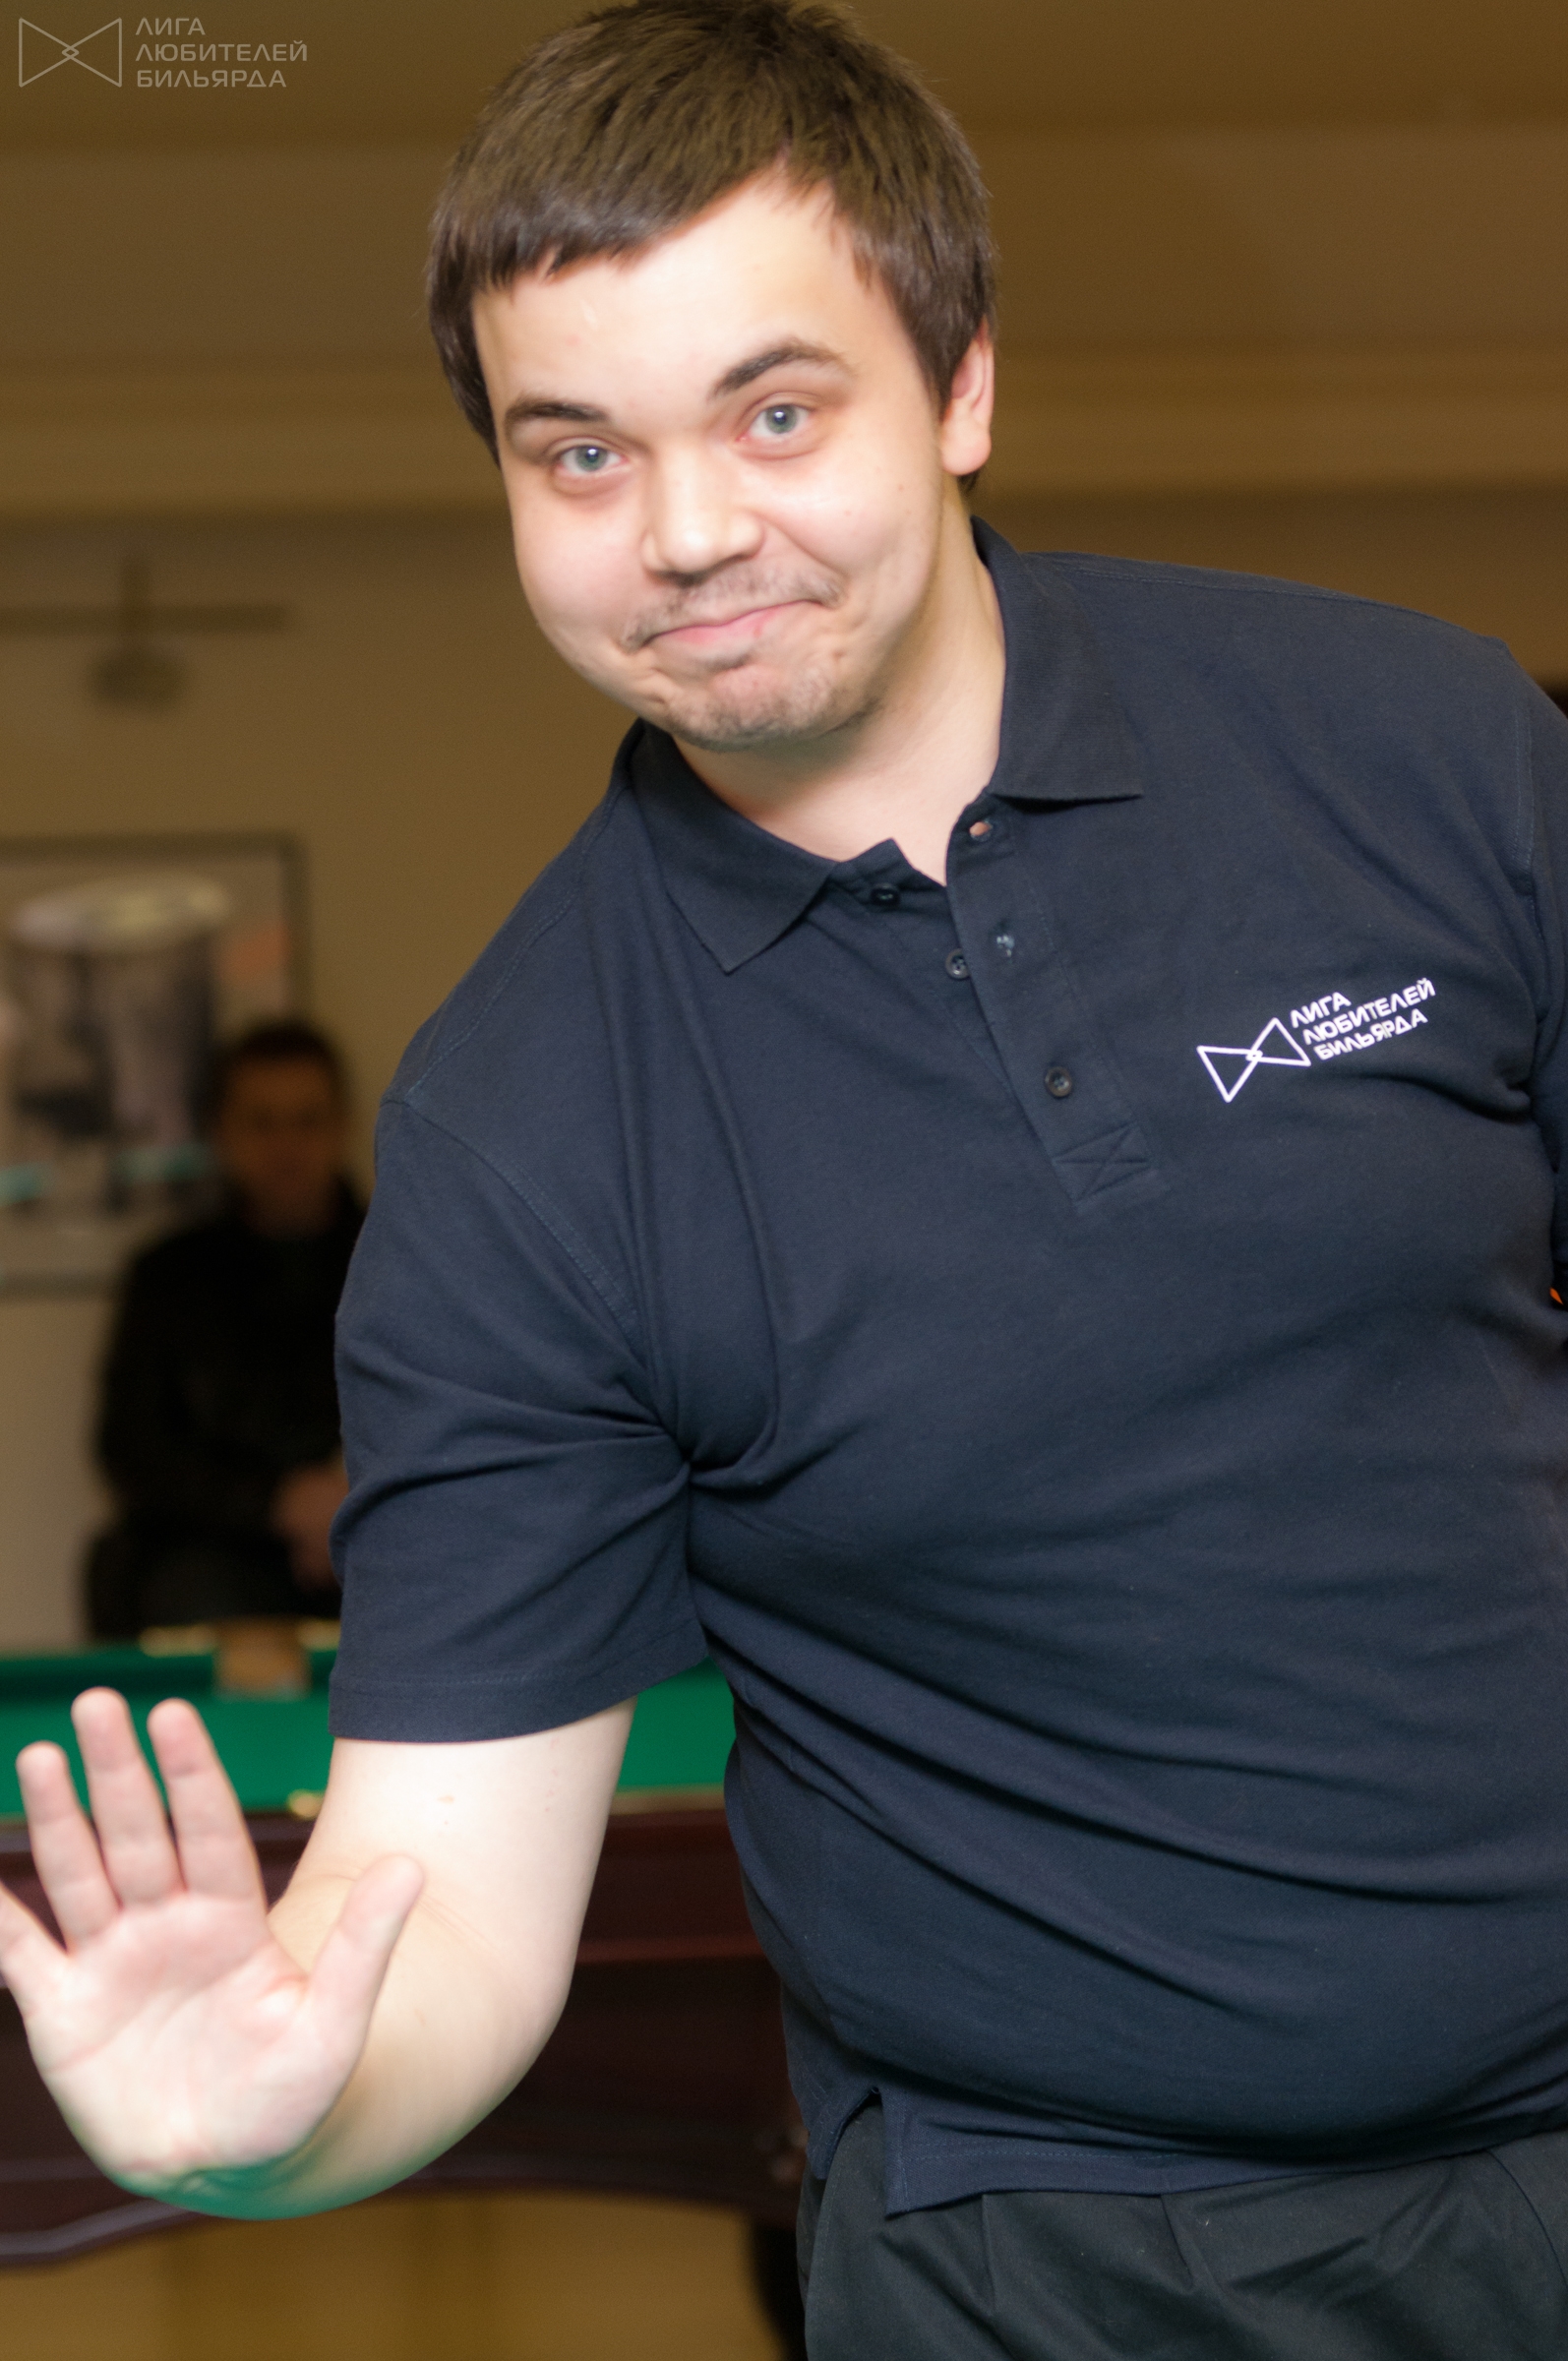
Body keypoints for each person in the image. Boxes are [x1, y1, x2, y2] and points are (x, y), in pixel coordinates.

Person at [5, 7, 1568, 2353]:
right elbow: (445, 1900)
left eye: (771, 411)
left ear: (957, 384)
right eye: (577, 450)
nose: (685, 531)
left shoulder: (1422, 746)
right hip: (1046, 2256)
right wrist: (262, 2115)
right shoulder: (516, 1131)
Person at [87, 1018, 360, 1637]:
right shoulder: (168, 1276)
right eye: (262, 1122)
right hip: (212, 1560)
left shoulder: (405, 1261)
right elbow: (131, 1447)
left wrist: (345, 1504)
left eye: (307, 1120)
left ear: (341, 1126)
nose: (286, 1145)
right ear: (222, 1132)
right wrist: (277, 1503)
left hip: (377, 1540)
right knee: (199, 1598)